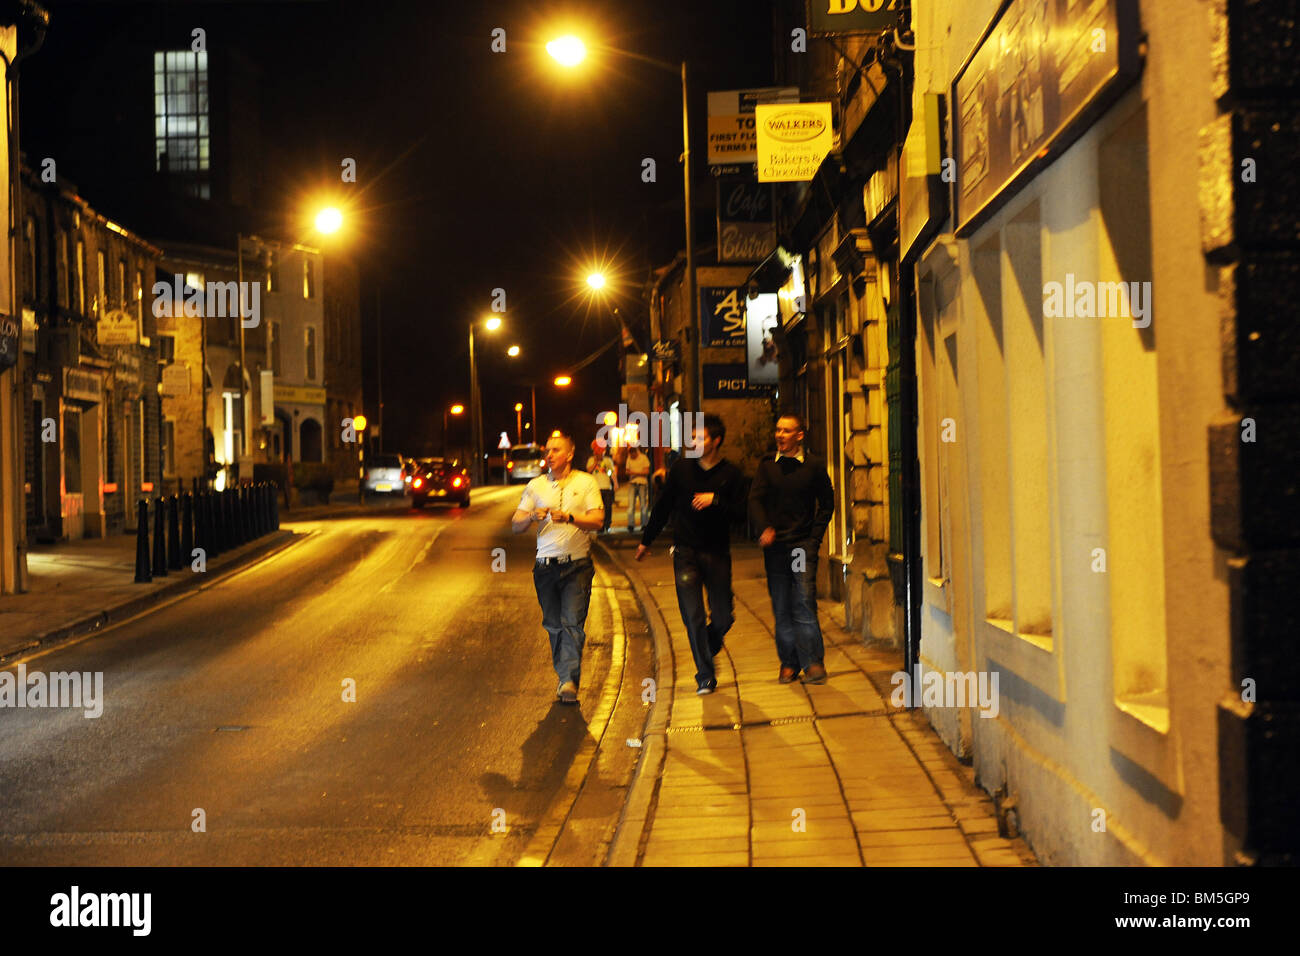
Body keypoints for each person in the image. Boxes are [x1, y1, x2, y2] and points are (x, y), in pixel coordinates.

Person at [636, 415, 745, 695]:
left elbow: (742, 514)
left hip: (718, 553)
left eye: (700, 438)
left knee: (724, 618)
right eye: (691, 437)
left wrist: (715, 500)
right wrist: (646, 541)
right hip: (685, 553)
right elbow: (663, 507)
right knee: (692, 615)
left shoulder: (731, 474)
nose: (693, 442)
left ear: (716, 441)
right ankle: (704, 675)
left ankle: (707, 644)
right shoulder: (681, 469)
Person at [512, 431, 605, 705]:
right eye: (547, 450)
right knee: (553, 625)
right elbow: (515, 524)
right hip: (544, 568)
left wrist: (571, 517)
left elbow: (598, 520)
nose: (549, 455)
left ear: (569, 454)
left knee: (572, 623)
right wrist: (530, 516)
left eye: (555, 450)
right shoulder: (535, 485)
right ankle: (565, 675)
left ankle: (568, 681)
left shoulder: (586, 482)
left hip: (577, 565)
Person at [749, 413, 835, 685]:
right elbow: (755, 500)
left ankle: (812, 662)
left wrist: (814, 539)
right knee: (781, 605)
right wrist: (764, 527)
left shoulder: (813, 466)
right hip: (776, 549)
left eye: (787, 431)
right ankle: (789, 662)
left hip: (800, 547)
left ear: (800, 435)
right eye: (778, 430)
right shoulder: (767, 467)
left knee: (804, 601)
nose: (780, 435)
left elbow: (827, 503)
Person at [586, 445, 617, 534]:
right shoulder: (591, 460)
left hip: (607, 487)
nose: (600, 454)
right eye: (598, 452)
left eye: (602, 452)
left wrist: (615, 483)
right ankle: (600, 527)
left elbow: (612, 473)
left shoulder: (608, 460)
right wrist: (595, 462)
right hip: (596, 488)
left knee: (608, 507)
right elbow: (588, 471)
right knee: (599, 508)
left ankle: (607, 525)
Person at [625, 442, 652, 532]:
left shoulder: (644, 458)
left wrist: (634, 472)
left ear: (636, 451)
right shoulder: (629, 458)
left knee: (643, 505)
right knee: (631, 505)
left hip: (642, 484)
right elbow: (627, 471)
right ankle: (631, 525)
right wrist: (639, 472)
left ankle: (644, 524)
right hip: (632, 483)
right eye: (630, 454)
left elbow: (646, 471)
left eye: (633, 454)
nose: (632, 456)